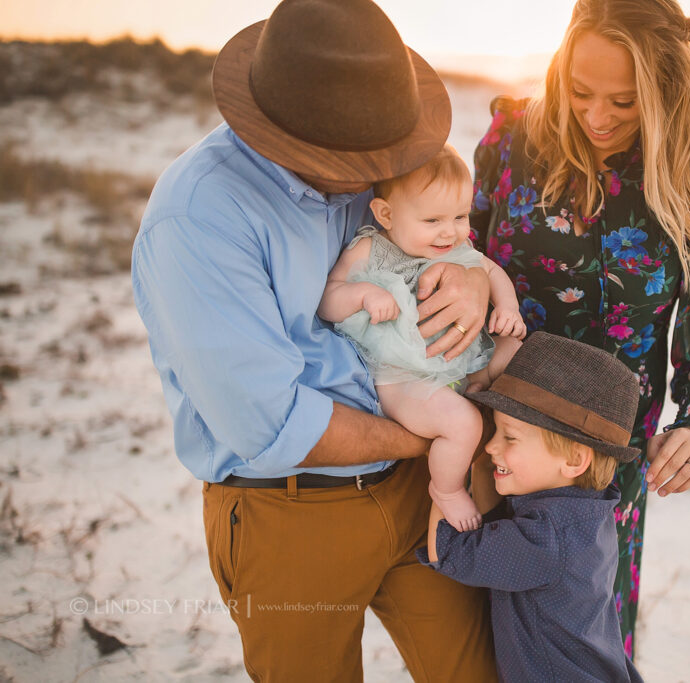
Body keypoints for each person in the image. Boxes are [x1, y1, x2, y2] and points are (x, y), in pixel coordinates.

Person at [131, 0, 499, 680]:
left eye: (385, 150)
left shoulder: (373, 169)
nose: (378, 170)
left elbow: (435, 237)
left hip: (418, 484)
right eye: (358, 157)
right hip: (288, 510)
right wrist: (433, 437)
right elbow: (269, 421)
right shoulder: (199, 217)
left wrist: (472, 280)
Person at [469, 0, 690, 658]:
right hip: (493, 435)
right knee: (474, 639)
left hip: (602, 466)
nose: (596, 117)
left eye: (624, 103)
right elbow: (460, 252)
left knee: (584, 641)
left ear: (666, 90)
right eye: (581, 91)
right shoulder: (513, 142)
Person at [318, 144, 525, 532]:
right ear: (386, 214)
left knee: (517, 351)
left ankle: (478, 383)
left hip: (458, 357)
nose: (451, 231)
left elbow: (492, 270)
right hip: (402, 377)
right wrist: (363, 295)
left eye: (461, 216)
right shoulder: (370, 250)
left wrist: (508, 308)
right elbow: (328, 300)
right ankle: (446, 489)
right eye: (432, 220)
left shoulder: (457, 246)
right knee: (463, 423)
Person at [418, 332, 645, 682]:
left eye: (509, 436)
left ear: (574, 460)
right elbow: (494, 520)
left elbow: (445, 550)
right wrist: (481, 460)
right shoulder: (590, 509)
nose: (492, 445)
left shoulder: (545, 538)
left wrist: (446, 479)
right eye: (494, 430)